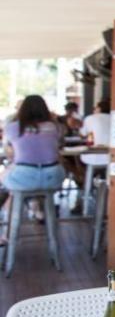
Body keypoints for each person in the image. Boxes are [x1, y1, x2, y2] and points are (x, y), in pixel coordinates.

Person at [2, 95, 66, 224]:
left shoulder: (13, 127)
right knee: (22, 181)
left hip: (24, 176)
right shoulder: (56, 127)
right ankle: (35, 206)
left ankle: (6, 234)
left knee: (10, 184)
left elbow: (9, 152)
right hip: (54, 177)